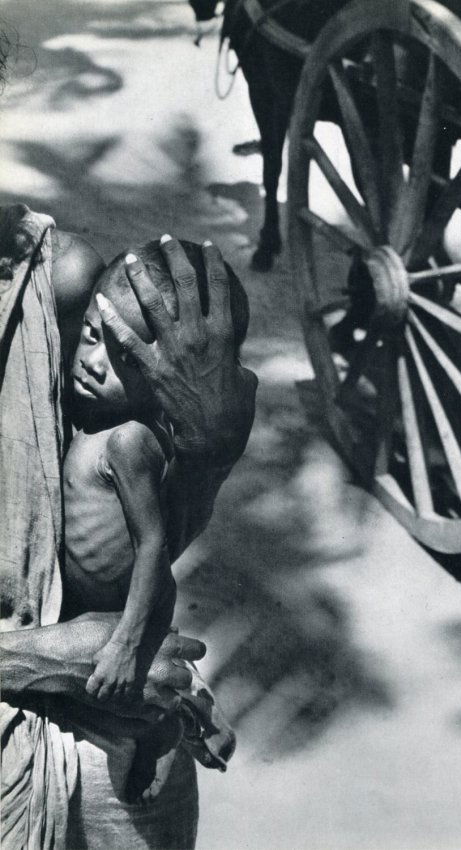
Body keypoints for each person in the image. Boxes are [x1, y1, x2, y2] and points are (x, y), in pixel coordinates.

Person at [0, 204, 257, 849]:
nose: (91, 363)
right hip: (65, 673)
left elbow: (151, 545)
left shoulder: (49, 279)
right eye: (89, 338)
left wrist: (205, 456)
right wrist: (35, 660)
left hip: (98, 686)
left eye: (117, 355)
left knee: (146, 746)